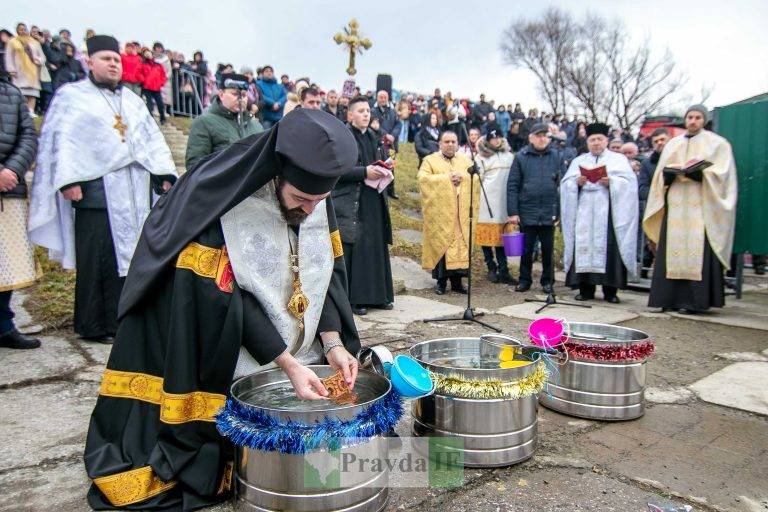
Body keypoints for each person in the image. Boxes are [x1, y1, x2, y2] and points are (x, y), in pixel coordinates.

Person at [83, 108, 361, 510]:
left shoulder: (314, 197)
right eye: (302, 199)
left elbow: (324, 277)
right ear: (277, 172)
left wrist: (332, 343)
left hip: (295, 340)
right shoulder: (223, 202)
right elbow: (222, 304)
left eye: (321, 200)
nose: (311, 212)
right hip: (221, 343)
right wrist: (288, 364)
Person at [29, 35, 177, 343]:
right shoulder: (72, 97)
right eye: (107, 58)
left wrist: (162, 172)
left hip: (134, 194)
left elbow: (151, 140)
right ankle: (95, 324)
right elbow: (62, 141)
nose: (113, 64)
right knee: (100, 259)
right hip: (96, 194)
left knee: (134, 258)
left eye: (116, 60)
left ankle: (127, 319)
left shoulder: (134, 101)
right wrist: (68, 181)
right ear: (90, 61)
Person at [644, 105, 737, 313]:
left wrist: (700, 174)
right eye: (689, 117)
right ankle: (667, 299)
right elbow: (659, 175)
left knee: (698, 251)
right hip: (676, 203)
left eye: (697, 117)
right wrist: (668, 174)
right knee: (671, 249)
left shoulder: (717, 144)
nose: (693, 121)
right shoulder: (672, 144)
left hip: (701, 204)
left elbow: (723, 175)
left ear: (704, 120)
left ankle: (695, 302)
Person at [560, 122, 638, 303]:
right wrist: (576, 184)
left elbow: (629, 184)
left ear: (606, 141)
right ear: (587, 142)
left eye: (599, 139)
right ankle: (585, 290)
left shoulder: (618, 160)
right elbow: (565, 185)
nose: (596, 143)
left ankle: (611, 292)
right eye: (592, 140)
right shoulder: (579, 161)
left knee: (609, 248)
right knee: (583, 245)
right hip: (584, 211)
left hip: (608, 211)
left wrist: (612, 182)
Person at [332, 96, 394, 315]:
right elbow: (337, 170)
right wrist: (364, 172)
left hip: (374, 198)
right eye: (360, 111)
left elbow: (380, 160)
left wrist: (386, 167)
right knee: (357, 248)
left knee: (375, 246)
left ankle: (379, 296)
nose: (366, 114)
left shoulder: (375, 137)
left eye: (368, 110)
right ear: (350, 115)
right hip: (353, 200)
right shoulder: (343, 138)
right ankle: (356, 299)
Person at [0, 72, 41, 349]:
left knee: (7, 264)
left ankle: (4, 325)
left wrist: (12, 169)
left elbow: (27, 135)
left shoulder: (10, 93)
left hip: (9, 188)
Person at [418, 131, 475, 295]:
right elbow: (423, 179)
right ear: (440, 144)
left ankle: (457, 282)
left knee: (460, 245)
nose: (450, 144)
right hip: (441, 214)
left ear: (458, 144)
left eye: (453, 141)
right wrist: (447, 178)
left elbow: (476, 177)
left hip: (460, 213)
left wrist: (462, 177)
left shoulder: (465, 160)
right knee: (442, 245)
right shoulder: (430, 160)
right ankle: (441, 282)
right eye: (447, 141)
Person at [507, 122, 562, 292]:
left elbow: (563, 184)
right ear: (531, 138)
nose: (542, 138)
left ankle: (547, 281)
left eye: (545, 135)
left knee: (547, 250)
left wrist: (559, 211)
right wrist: (513, 212)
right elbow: (513, 185)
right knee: (526, 249)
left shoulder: (556, 156)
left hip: (548, 211)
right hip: (527, 210)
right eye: (539, 135)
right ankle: (524, 280)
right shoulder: (521, 157)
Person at [185, 73, 264, 170]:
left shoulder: (256, 126)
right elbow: (194, 166)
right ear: (221, 94)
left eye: (243, 95)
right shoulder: (204, 122)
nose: (240, 99)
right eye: (235, 94)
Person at [475, 124, 515, 284]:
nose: (496, 141)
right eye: (493, 138)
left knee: (502, 238)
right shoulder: (481, 157)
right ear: (488, 140)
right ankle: (491, 267)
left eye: (499, 137)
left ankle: (504, 269)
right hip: (487, 202)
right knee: (486, 238)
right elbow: (477, 181)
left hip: (505, 202)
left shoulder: (509, 156)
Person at [637, 128, 669, 276]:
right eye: (656, 141)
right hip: (656, 211)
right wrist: (659, 193)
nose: (660, 143)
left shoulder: (680, 159)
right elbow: (642, 189)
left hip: (677, 211)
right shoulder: (647, 164)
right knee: (655, 246)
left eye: (662, 140)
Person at [4, 23, 45, 117]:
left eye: (24, 29)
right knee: (21, 93)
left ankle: (31, 111)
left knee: (33, 93)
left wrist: (38, 60)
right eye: (20, 29)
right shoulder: (12, 42)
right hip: (19, 71)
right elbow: (9, 57)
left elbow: (42, 57)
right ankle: (23, 112)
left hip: (33, 71)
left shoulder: (34, 42)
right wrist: (11, 69)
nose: (22, 31)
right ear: (17, 31)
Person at [371, 90, 402, 198]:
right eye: (381, 97)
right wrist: (386, 135)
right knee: (380, 166)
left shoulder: (392, 111)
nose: (383, 99)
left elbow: (399, 124)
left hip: (392, 145)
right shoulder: (373, 111)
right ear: (377, 98)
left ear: (388, 98)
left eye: (385, 97)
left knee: (391, 166)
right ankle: (380, 190)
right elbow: (375, 126)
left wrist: (393, 135)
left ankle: (391, 191)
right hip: (380, 144)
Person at [140, 46, 167, 124]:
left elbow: (163, 75)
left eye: (148, 52)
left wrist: (161, 83)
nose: (147, 54)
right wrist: (144, 81)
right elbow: (139, 73)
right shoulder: (143, 64)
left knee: (160, 104)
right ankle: (151, 120)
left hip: (156, 87)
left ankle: (163, 118)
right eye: (145, 53)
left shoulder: (158, 65)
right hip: (146, 87)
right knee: (149, 105)